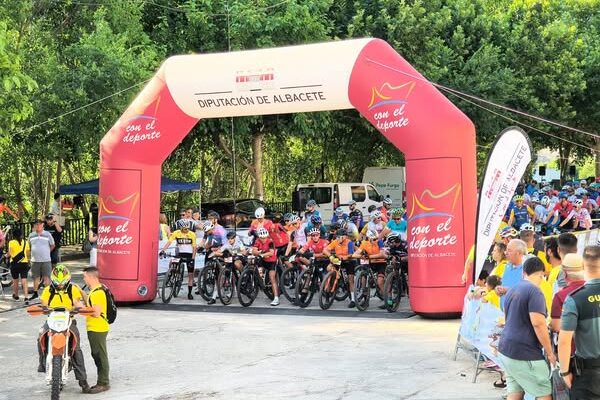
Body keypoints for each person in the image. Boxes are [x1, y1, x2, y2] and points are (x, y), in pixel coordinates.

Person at [498, 257, 555, 400]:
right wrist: (550, 353)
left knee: (515, 392)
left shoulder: (513, 289)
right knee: (543, 393)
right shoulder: (535, 292)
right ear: (541, 274)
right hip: (525, 353)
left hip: (506, 349)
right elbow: (538, 324)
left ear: (523, 272)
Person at [38, 265, 91, 393]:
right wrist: (44, 309)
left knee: (76, 348)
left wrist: (78, 308)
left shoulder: (73, 289)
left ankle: (83, 382)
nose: (60, 285)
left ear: (68, 280)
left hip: (69, 320)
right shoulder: (47, 290)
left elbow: (77, 303)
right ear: (52, 280)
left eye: (63, 282)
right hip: (52, 320)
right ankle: (43, 363)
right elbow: (43, 305)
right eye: (57, 282)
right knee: (40, 335)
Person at [558, 245, 600, 399]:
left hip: (589, 375)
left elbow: (564, 341)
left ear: (583, 265)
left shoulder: (575, 299)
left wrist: (564, 372)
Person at [82, 266, 111, 394]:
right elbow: (90, 304)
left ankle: (103, 383)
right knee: (97, 354)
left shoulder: (98, 293)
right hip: (95, 328)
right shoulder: (95, 291)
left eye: (84, 277)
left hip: (98, 328)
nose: (84, 279)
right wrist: (82, 293)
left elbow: (96, 313)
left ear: (90, 277)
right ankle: (102, 381)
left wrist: (79, 307)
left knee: (100, 355)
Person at [160, 219, 197, 300]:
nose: (186, 230)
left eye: (187, 228)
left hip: (189, 255)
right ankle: (171, 275)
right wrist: (163, 250)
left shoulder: (192, 234)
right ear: (180, 228)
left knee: (191, 275)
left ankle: (189, 293)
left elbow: (194, 247)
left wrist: (193, 258)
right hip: (180, 254)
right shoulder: (176, 233)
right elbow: (169, 242)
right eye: (184, 229)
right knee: (171, 262)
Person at [550, 253, 584, 333]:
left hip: (570, 340)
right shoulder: (594, 289)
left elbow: (556, 327)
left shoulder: (560, 296)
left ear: (564, 273)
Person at [352, 229, 386, 308]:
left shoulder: (380, 242)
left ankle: (388, 300)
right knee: (364, 278)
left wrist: (369, 256)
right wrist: (362, 256)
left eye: (376, 238)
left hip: (380, 262)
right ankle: (365, 299)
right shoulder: (364, 243)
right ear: (369, 238)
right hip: (370, 263)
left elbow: (382, 254)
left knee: (380, 282)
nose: (376, 240)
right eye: (374, 239)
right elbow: (354, 255)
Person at [322, 228, 356, 308]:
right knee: (329, 270)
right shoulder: (335, 242)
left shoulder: (349, 242)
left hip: (348, 261)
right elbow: (325, 250)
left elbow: (350, 254)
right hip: (338, 261)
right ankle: (327, 297)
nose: (337, 238)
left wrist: (344, 257)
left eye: (339, 237)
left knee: (350, 279)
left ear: (344, 237)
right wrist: (330, 256)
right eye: (336, 237)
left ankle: (353, 299)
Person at [27, 219, 55, 300]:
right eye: (36, 224)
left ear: (43, 225)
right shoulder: (31, 235)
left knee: (47, 277)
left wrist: (47, 252)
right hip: (34, 260)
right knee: (36, 277)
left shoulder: (47, 234)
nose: (38, 226)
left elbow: (52, 245)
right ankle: (35, 293)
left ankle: (47, 294)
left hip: (46, 260)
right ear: (34, 226)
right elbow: (28, 246)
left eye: (39, 224)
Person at [495, 239, 527, 309]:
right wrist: (497, 289)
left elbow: (527, 292)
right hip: (504, 312)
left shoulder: (527, 270)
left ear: (519, 253)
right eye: (506, 250)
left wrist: (508, 291)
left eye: (509, 250)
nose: (505, 253)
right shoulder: (506, 266)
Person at [252, 227, 280, 306]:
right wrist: (260, 252)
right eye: (261, 238)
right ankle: (260, 280)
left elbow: (271, 253)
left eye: (264, 238)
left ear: (267, 236)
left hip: (271, 261)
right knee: (253, 263)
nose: (263, 239)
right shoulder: (257, 241)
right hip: (263, 260)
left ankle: (276, 298)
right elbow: (254, 251)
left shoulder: (270, 241)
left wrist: (262, 254)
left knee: (272, 277)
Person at [8, 227, 30, 302]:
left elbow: (10, 253)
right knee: (24, 280)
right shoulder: (25, 242)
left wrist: (5, 256)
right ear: (21, 234)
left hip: (14, 264)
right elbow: (28, 253)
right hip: (24, 263)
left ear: (13, 235)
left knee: (15, 280)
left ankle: (16, 295)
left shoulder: (11, 242)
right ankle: (26, 297)